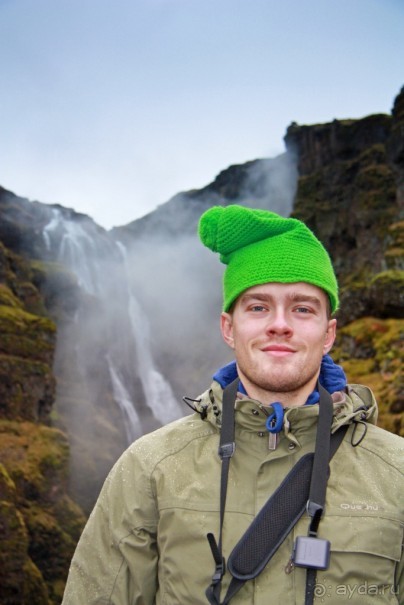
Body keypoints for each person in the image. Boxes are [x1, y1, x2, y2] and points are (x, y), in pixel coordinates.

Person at [62, 205, 403, 605]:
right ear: (229, 327)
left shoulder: (396, 474)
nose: (280, 324)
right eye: (258, 307)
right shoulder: (150, 469)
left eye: (302, 308)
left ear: (328, 334)